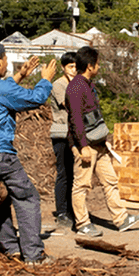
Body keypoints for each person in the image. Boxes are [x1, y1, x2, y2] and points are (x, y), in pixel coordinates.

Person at [0, 41, 58, 264]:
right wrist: (45, 80)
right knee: (27, 198)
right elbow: (35, 98)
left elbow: (2, 93)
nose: (7, 63)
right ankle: (34, 255)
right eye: (5, 59)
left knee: (1, 199)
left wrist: (21, 75)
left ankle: (10, 248)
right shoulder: (0, 87)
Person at [66, 45, 139, 237]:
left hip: (98, 144)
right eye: (98, 64)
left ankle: (121, 218)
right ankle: (82, 224)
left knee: (110, 181)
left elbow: (94, 116)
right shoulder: (75, 87)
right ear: (90, 66)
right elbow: (76, 119)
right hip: (85, 145)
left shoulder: (89, 85)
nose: (99, 67)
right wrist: (82, 146)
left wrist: (103, 140)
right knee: (82, 185)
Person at [49, 51, 79, 230]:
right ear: (63, 67)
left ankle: (72, 209)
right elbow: (68, 105)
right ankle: (61, 212)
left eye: (76, 67)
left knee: (74, 173)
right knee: (63, 173)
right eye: (70, 67)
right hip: (61, 133)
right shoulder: (58, 85)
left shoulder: (77, 84)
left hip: (75, 133)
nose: (74, 70)